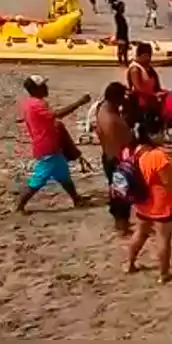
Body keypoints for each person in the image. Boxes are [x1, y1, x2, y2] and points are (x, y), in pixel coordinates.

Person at [126, 112, 172, 284]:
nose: (164, 135)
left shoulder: (134, 151)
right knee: (163, 238)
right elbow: (169, 183)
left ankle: (130, 264)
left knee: (140, 233)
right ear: (153, 134)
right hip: (161, 203)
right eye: (162, 132)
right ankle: (163, 274)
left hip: (142, 201)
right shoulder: (159, 157)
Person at [16, 76, 92, 213]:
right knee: (39, 179)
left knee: (63, 175)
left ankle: (77, 199)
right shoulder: (37, 105)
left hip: (49, 145)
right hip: (47, 147)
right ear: (34, 89)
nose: (46, 88)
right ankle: (20, 204)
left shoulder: (31, 103)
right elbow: (57, 115)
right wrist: (79, 103)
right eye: (42, 86)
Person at [95, 82, 134, 235]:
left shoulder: (103, 108)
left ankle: (122, 224)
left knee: (117, 193)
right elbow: (125, 141)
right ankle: (122, 227)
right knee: (121, 195)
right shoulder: (112, 120)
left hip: (108, 157)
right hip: (118, 161)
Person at [126, 42, 163, 123]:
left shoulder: (148, 67)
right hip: (141, 101)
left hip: (151, 98)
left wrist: (160, 92)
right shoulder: (135, 69)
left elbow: (156, 83)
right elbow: (138, 88)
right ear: (142, 55)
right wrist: (154, 95)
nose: (150, 58)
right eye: (148, 56)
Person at [113, 1, 130, 65]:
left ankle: (123, 61)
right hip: (122, 35)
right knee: (123, 49)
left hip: (123, 34)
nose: (124, 8)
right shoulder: (118, 16)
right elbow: (121, 26)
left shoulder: (119, 15)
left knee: (123, 49)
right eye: (123, 7)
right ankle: (123, 61)